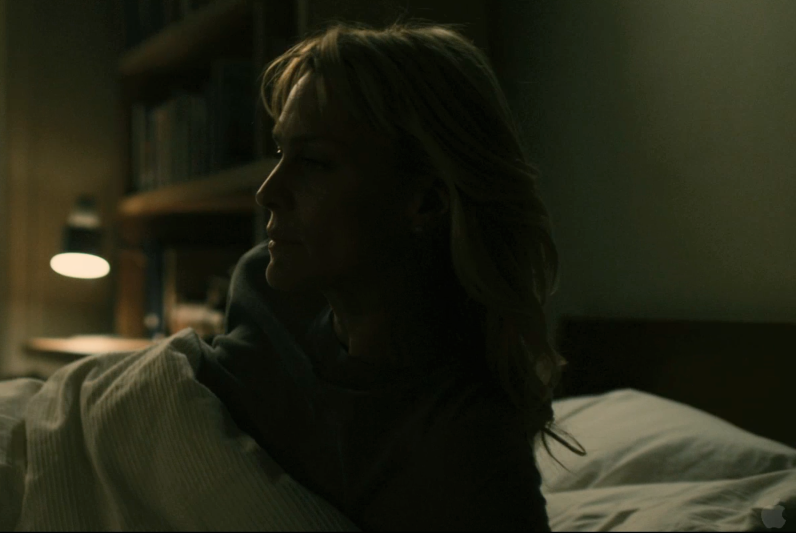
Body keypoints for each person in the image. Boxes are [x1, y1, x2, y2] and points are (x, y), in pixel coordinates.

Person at [195, 19, 586, 531]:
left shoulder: (465, 444)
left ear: (425, 201)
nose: (267, 192)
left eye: (313, 162)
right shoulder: (264, 293)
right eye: (281, 152)